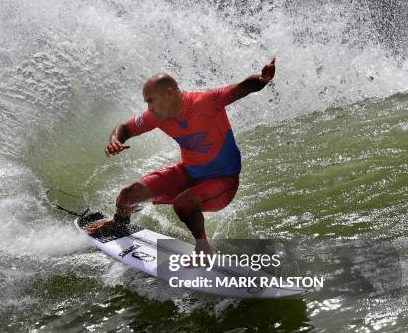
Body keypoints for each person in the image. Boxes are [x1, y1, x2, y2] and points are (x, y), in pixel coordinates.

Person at [84, 58, 276, 254]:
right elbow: (125, 128)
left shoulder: (205, 102)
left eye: (151, 101)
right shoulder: (156, 116)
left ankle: (203, 249)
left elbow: (238, 90)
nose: (149, 109)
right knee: (127, 196)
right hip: (189, 174)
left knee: (184, 202)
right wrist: (115, 140)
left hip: (223, 181)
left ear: (169, 93)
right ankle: (119, 224)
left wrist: (261, 80)